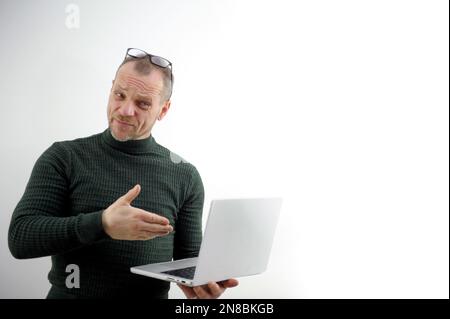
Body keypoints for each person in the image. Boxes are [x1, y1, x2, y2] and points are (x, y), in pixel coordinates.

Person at [8, 48, 238, 299]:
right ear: (110, 91)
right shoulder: (64, 157)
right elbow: (20, 237)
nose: (126, 110)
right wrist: (102, 223)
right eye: (119, 95)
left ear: (163, 110)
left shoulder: (185, 175)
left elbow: (188, 261)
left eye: (142, 103)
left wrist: (202, 285)